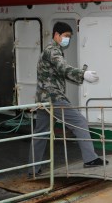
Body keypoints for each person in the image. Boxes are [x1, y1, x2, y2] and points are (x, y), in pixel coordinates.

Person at [29, 22, 105, 175]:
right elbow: (63, 68)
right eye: (66, 36)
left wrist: (81, 75)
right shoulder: (53, 51)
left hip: (43, 99)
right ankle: (90, 159)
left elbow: (60, 72)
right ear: (56, 35)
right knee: (80, 122)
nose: (67, 39)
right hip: (53, 98)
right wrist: (83, 74)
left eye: (69, 37)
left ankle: (33, 168)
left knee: (41, 133)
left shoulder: (50, 50)